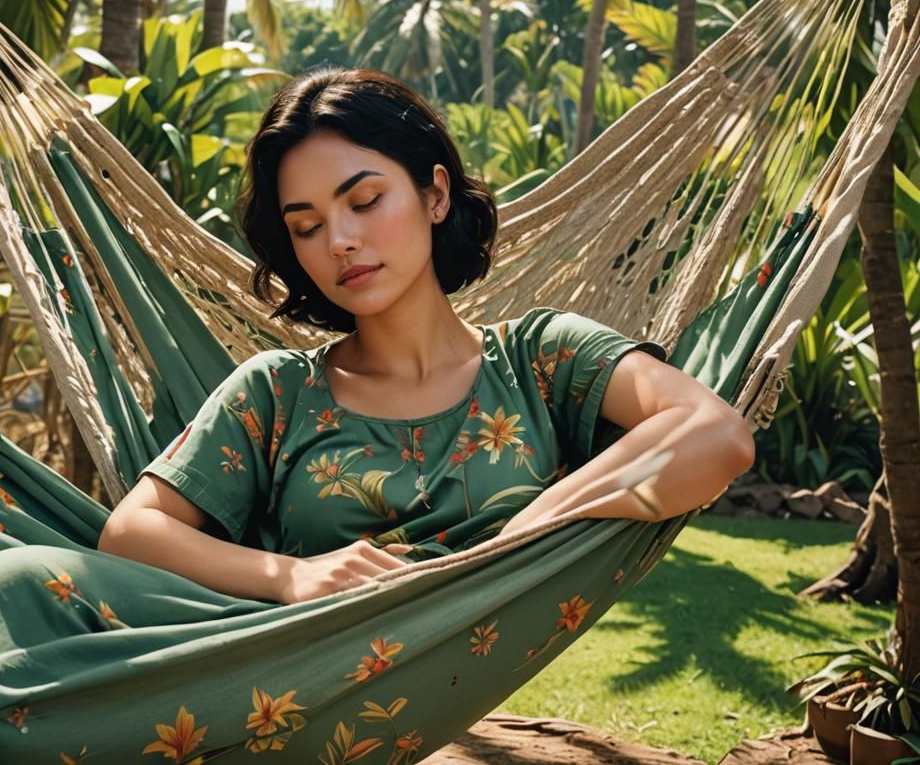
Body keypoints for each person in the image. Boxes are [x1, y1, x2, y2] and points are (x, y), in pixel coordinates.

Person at [97, 67, 754, 605]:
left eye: (364, 201)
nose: (339, 241)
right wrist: (290, 576)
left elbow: (717, 434)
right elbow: (128, 533)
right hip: (276, 684)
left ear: (435, 195)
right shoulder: (277, 392)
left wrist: (524, 535)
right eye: (306, 227)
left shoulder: (540, 360)